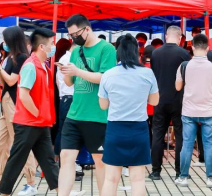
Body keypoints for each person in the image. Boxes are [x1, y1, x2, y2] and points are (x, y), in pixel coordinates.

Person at [58, 14, 117, 196]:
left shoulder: (107, 49)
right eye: (70, 35)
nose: (73, 38)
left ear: (87, 29)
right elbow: (70, 83)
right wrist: (66, 72)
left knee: (100, 161)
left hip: (97, 115)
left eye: (76, 34)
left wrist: (77, 71)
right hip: (74, 113)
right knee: (66, 157)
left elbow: (105, 78)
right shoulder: (76, 51)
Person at [0, 28, 60, 196]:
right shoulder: (31, 66)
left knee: (48, 160)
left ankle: (61, 191)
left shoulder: (42, 65)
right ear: (42, 47)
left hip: (40, 122)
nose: (53, 47)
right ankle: (4, 192)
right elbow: (24, 95)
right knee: (17, 159)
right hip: (29, 122)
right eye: (51, 44)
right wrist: (38, 113)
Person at [98, 34, 159, 196]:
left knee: (111, 179)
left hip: (115, 129)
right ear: (136, 52)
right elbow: (154, 101)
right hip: (139, 129)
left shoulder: (108, 74)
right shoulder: (147, 73)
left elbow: (103, 105)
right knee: (137, 179)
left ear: (118, 52)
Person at [0, 26, 37, 196]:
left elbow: (12, 81)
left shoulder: (22, 58)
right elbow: (3, 81)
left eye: (5, 40)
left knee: (19, 143)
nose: (3, 43)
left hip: (14, 103)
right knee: (0, 144)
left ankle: (31, 182)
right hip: (5, 102)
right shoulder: (9, 58)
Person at [174, 34, 212, 188]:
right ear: (207, 48)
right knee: (209, 145)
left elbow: (178, 87)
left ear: (192, 47)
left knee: (187, 145)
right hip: (209, 111)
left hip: (189, 111)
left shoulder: (184, 66)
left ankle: (183, 177)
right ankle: (211, 178)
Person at [148, 26, 190, 180]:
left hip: (159, 98)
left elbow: (153, 75)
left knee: (158, 134)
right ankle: (180, 172)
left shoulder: (155, 53)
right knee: (180, 135)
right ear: (179, 37)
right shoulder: (184, 54)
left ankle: (155, 171)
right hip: (179, 99)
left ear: (166, 36)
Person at [54, 38, 74, 158]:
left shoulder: (64, 59)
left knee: (63, 130)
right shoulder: (69, 59)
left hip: (65, 97)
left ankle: (57, 158)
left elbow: (57, 81)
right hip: (69, 98)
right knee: (65, 131)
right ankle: (58, 158)